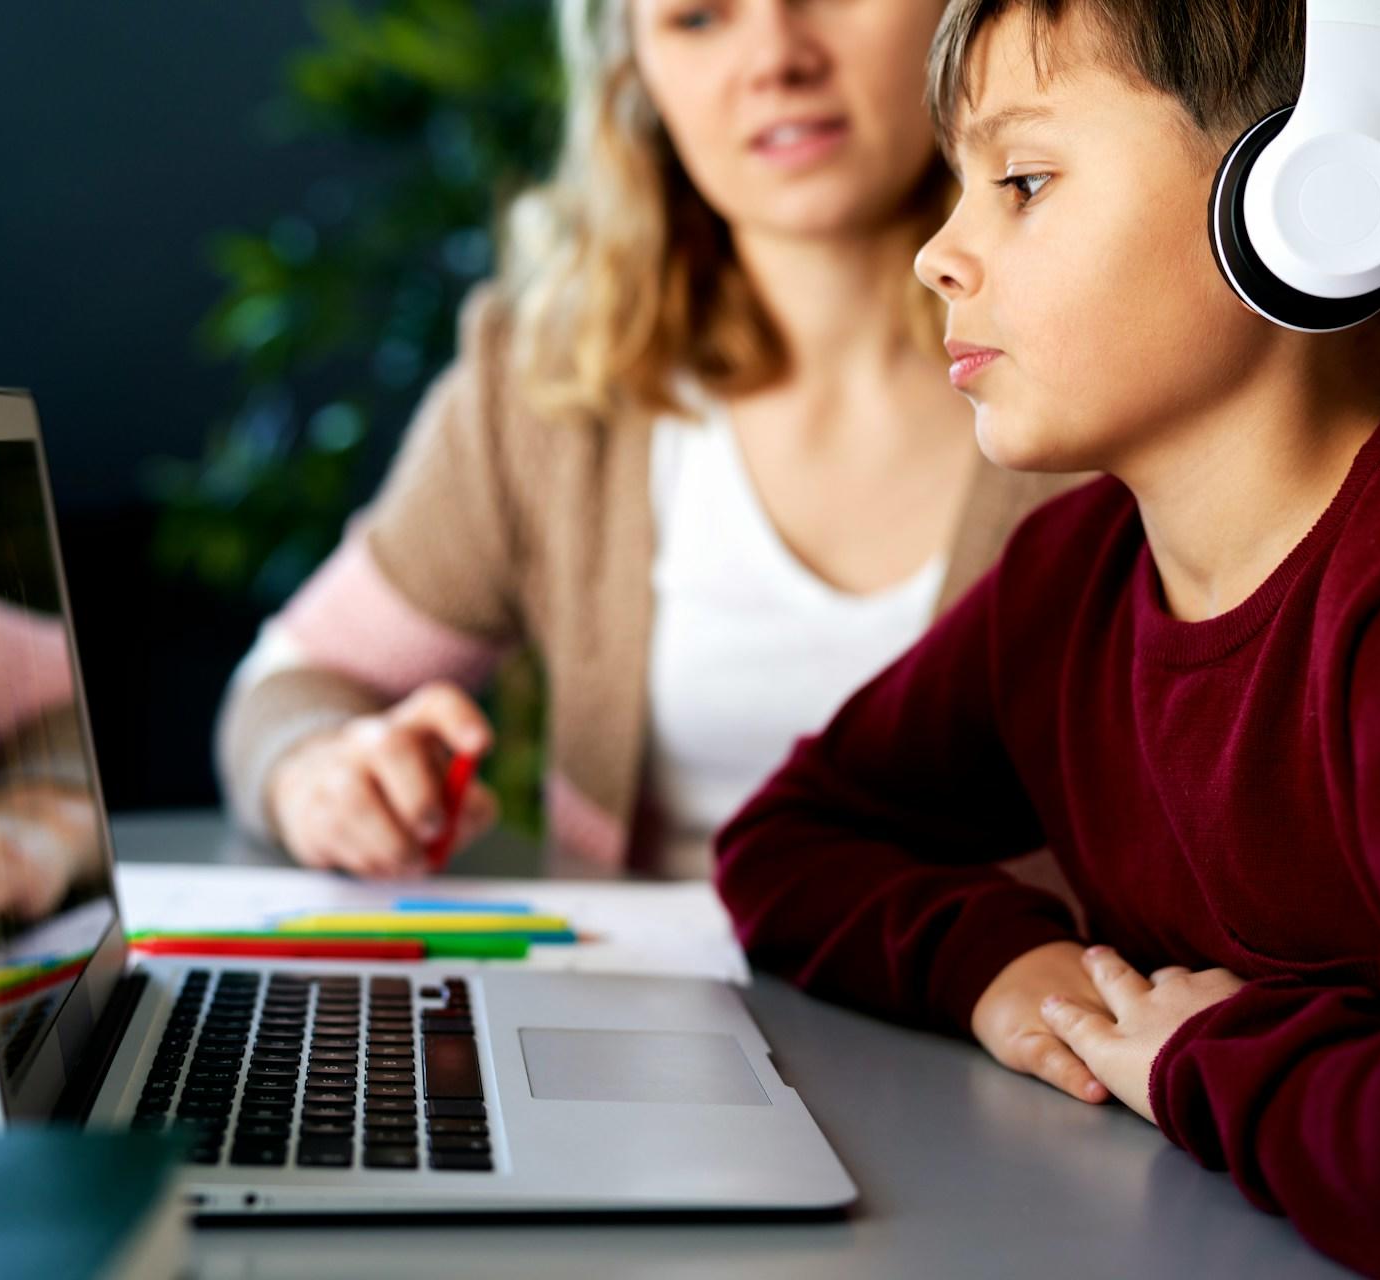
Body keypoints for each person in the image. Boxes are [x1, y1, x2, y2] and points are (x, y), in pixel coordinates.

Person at [714, 1, 1380, 1274]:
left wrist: (1195, 1059)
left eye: (1023, 181)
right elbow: (788, 838)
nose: (940, 252)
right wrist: (1006, 969)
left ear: (1314, 202)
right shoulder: (1075, 578)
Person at [216, 0, 1087, 885]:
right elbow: (296, 679)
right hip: (635, 1012)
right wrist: (321, 773)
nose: (776, 59)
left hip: (994, 1020)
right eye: (698, 18)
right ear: (635, 74)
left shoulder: (1121, 377)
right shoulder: (556, 387)